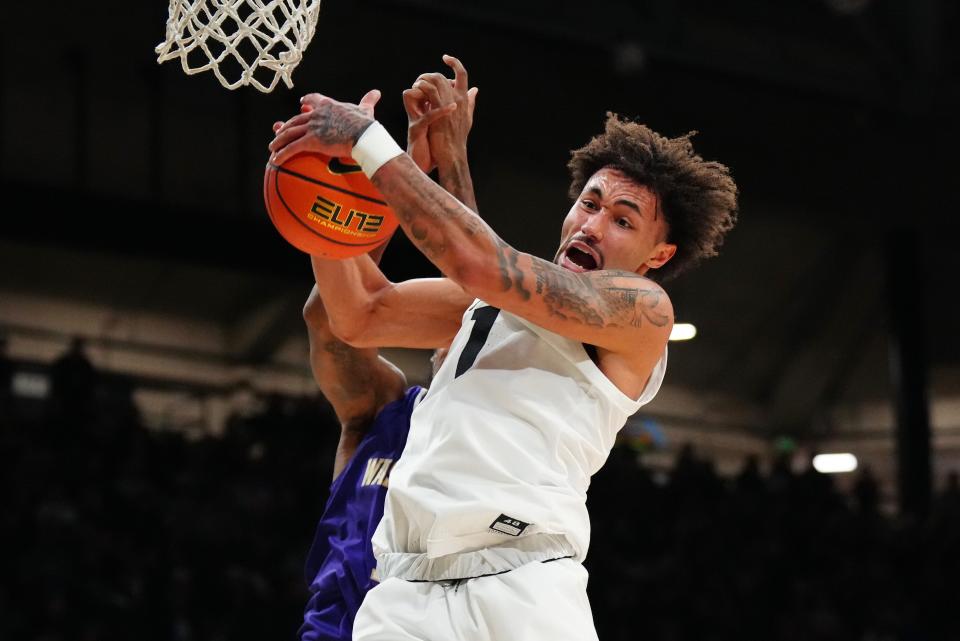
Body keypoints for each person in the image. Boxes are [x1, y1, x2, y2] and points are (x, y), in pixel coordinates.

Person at [271, 55, 738, 641]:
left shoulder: (640, 311)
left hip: (520, 588)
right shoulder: (486, 305)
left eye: (623, 220)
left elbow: (485, 265)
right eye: (590, 204)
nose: (592, 226)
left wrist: (370, 143)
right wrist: (338, 195)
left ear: (658, 255)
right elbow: (357, 313)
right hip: (402, 596)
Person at [293, 71, 478, 641]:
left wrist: (447, 163)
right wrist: (378, 180)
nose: (454, 320)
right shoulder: (383, 411)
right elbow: (331, 320)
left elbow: (482, 289)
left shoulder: (495, 438)